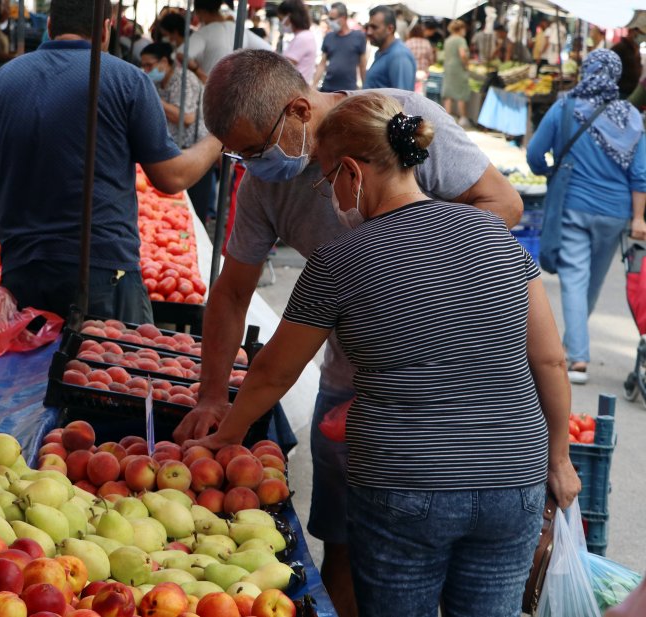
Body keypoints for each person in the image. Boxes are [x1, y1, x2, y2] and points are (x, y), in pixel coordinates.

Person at [183, 91, 582, 617]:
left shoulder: (337, 261)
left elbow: (275, 370)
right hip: (513, 477)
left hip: (402, 481)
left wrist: (227, 435)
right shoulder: (497, 234)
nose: (329, 194)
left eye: (327, 181)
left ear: (351, 172)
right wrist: (560, 457)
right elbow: (550, 360)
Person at [0, 0, 222, 323]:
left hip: (23, 274)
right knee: (105, 370)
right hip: (104, 274)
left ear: (50, 26)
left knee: (30, 371)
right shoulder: (128, 80)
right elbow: (172, 177)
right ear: (107, 29)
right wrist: (219, 138)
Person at [527, 50, 646, 384]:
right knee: (590, 282)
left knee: (575, 280)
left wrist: (548, 170)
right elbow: (640, 174)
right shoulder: (631, 117)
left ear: (587, 71)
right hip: (616, 213)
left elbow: (535, 153)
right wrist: (639, 218)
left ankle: (577, 357)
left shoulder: (566, 106)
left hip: (574, 205)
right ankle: (573, 346)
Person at [139, 42, 216, 222]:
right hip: (172, 146)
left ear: (164, 62)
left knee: (194, 209)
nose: (146, 70)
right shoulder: (157, 82)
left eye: (149, 65)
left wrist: (152, 97)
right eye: (143, 66)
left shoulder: (184, 79)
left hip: (195, 148)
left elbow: (187, 117)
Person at [181, 0, 271, 82]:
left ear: (201, 12)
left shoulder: (205, 32)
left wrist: (200, 73)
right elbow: (268, 50)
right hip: (231, 91)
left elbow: (181, 54)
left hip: (209, 90)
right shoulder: (239, 30)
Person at [312, 2, 367, 92]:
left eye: (332, 19)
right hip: (327, 89)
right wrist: (314, 85)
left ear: (344, 18)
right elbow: (322, 63)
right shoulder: (329, 37)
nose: (330, 22)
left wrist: (365, 88)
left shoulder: (358, 37)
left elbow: (362, 65)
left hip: (348, 91)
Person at [363, 5, 415, 91]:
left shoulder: (399, 56)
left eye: (374, 27)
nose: (369, 32)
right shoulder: (383, 52)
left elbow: (402, 99)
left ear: (390, 29)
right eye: (368, 27)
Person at [276, 0, 319, 85]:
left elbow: (283, 68)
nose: (281, 23)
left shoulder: (302, 38)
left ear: (289, 16)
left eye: (281, 19)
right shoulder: (304, 36)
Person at [441, 19, 471, 128]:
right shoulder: (460, 40)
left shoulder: (448, 40)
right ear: (461, 29)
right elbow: (463, 54)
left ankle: (446, 118)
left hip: (448, 68)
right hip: (458, 68)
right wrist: (467, 64)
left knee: (448, 94)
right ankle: (463, 118)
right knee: (461, 93)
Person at [611, 14, 645, 98]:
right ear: (632, 32)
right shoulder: (619, 49)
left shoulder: (635, 50)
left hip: (631, 94)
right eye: (642, 34)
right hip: (619, 94)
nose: (643, 37)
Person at [405, 23, 434, 90]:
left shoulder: (408, 43)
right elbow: (431, 59)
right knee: (421, 93)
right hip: (423, 73)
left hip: (411, 73)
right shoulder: (426, 43)